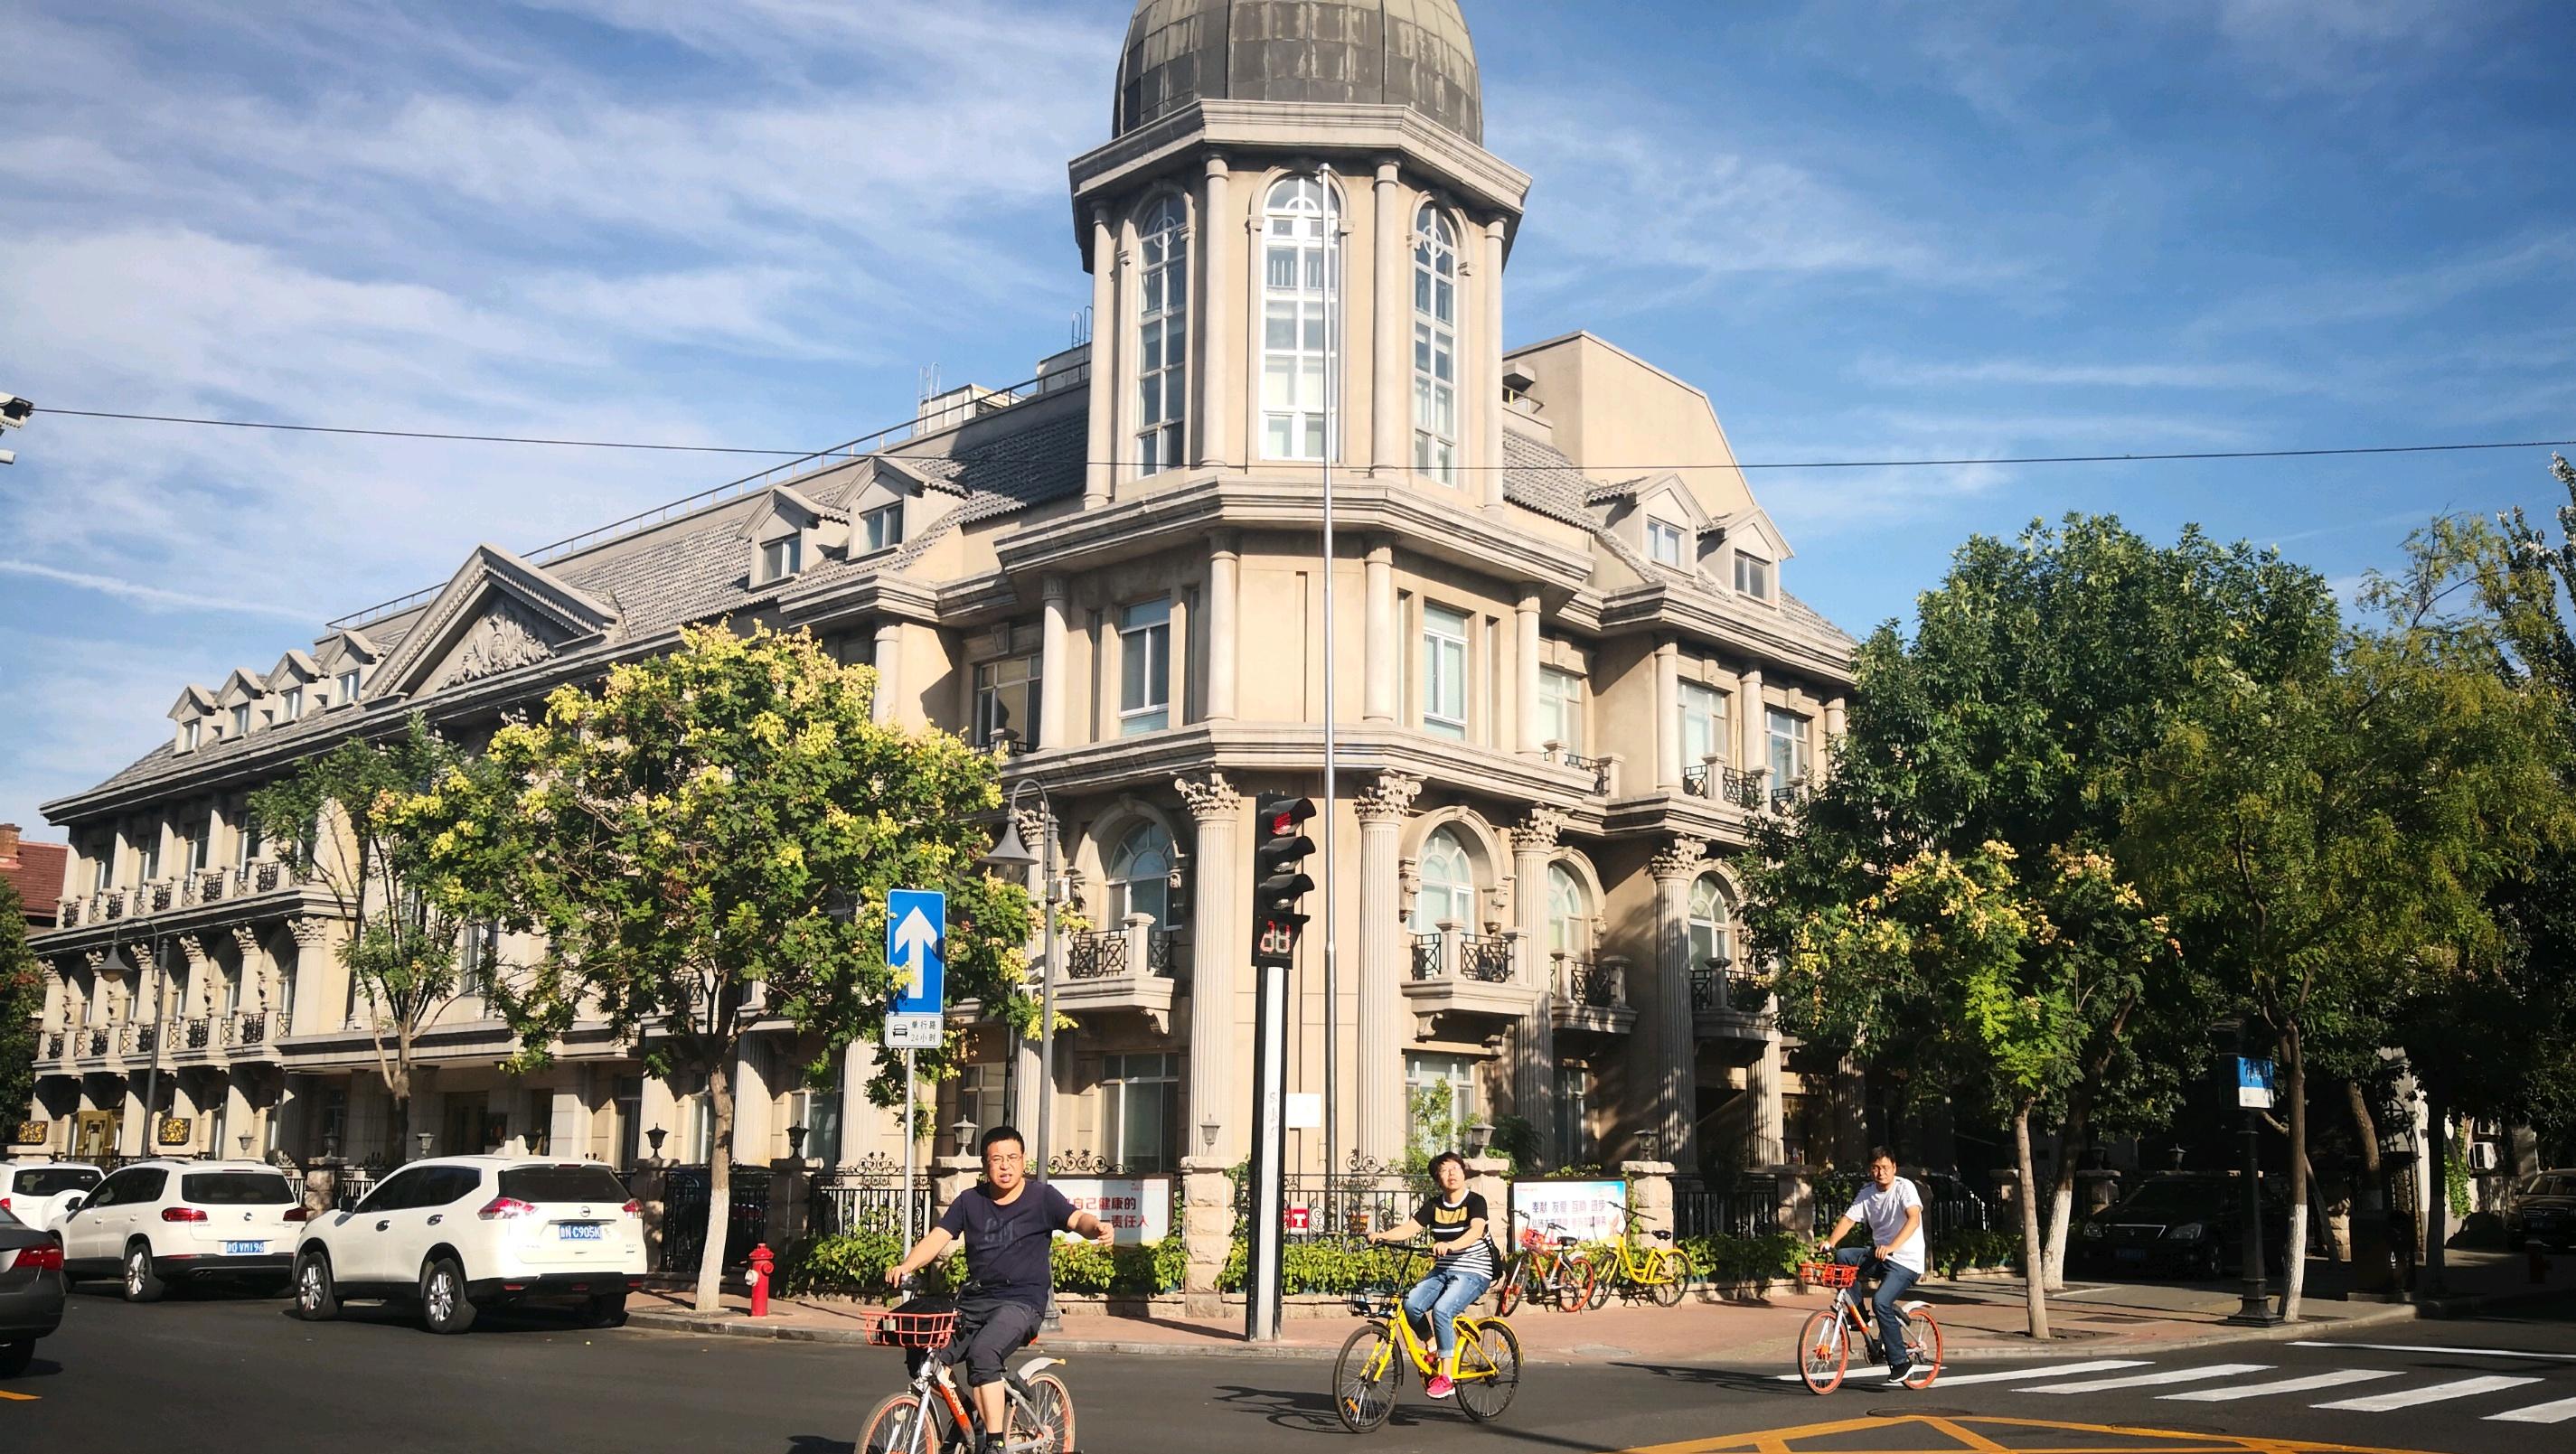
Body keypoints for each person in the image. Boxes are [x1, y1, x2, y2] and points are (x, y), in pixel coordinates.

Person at [887, 1125, 1114, 1454]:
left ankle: (994, 1443)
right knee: (924, 1357)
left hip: (1021, 1302)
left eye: (1012, 1158)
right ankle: (970, 1415)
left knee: (983, 1354)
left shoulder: (1042, 1197)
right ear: (985, 1164)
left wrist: (1098, 1228)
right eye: (997, 1159)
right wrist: (907, 1265)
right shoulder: (970, 1201)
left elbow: (1078, 1220)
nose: (1005, 1166)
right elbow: (938, 1237)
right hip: (974, 1301)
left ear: (1023, 1160)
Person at [1364, 1151, 1497, 1401]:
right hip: (1444, 1269)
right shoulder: (1434, 1205)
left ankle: (1446, 1377)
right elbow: (1409, 1228)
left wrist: (1452, 1245)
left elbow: (1476, 1231)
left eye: (1455, 1168)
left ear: (1463, 1172)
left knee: (1442, 1310)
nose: (1452, 1173)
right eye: (1444, 1170)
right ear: (1438, 1179)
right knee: (1410, 1303)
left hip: (1474, 1270)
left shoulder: (1475, 1201)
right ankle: (1432, 1344)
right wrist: (1382, 1235)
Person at [1816, 1147, 1927, 1390]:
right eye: (1875, 1168)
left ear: (1894, 1168)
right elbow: (1849, 1219)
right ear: (1870, 1170)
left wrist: (1891, 1247)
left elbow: (1913, 1219)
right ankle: (1859, 1316)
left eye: (1885, 1167)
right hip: (1880, 1256)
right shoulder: (1867, 1192)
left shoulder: (1905, 1188)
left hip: (1906, 1261)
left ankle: (1901, 1363)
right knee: (1843, 1256)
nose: (1880, 1173)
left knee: (1881, 1302)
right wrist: (1830, 1242)